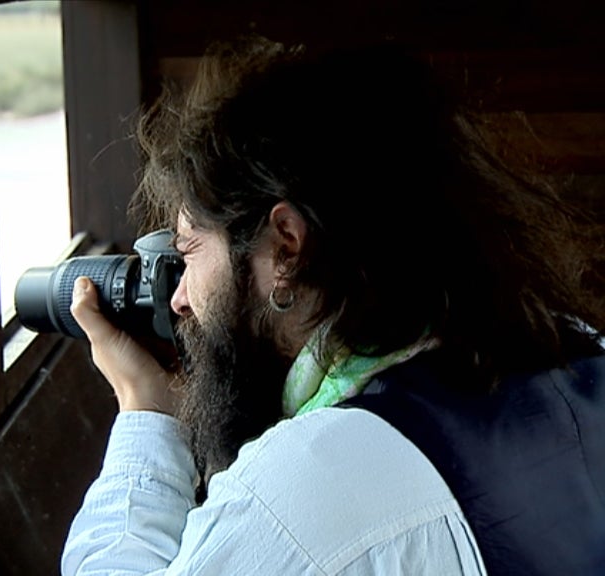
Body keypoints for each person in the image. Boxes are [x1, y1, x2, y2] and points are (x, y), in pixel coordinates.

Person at [60, 37, 605, 575]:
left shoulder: (312, 484)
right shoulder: (577, 350)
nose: (180, 298)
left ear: (286, 248)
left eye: (189, 251)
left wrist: (146, 413)